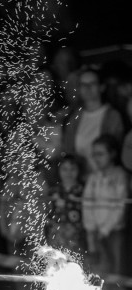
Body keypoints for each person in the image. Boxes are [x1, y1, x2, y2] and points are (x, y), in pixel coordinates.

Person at [62, 66, 125, 176]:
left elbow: (114, 152)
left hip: (104, 180)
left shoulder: (113, 116)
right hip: (79, 181)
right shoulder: (73, 117)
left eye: (92, 83)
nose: (87, 88)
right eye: (83, 85)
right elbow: (68, 150)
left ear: (102, 87)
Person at [83, 134, 128, 274]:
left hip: (113, 232)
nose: (96, 158)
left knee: (115, 271)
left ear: (112, 154)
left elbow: (120, 206)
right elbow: (87, 203)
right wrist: (90, 228)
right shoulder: (93, 177)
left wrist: (105, 229)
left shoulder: (120, 176)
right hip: (95, 232)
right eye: (94, 154)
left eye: (100, 154)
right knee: (97, 271)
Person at [46, 154, 85, 253]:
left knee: (74, 259)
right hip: (56, 231)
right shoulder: (53, 190)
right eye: (64, 169)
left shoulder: (82, 190)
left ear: (79, 170)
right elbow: (48, 212)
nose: (68, 173)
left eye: (72, 169)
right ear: (58, 170)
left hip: (76, 233)